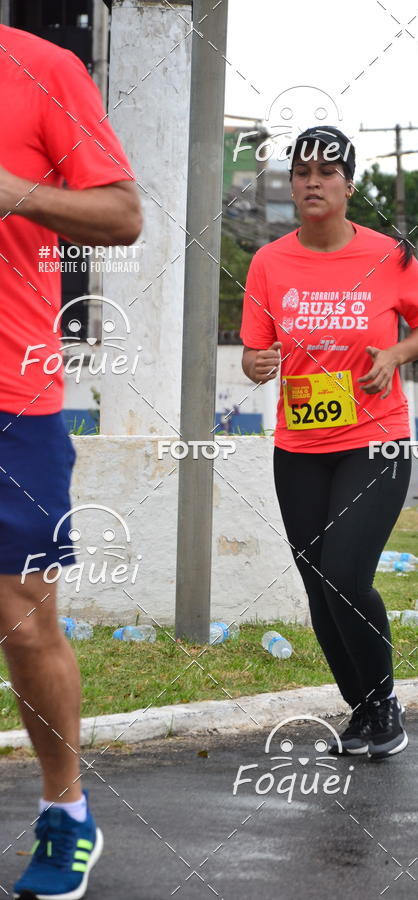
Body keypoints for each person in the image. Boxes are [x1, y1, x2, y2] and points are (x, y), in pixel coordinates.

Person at [240, 126, 418, 759]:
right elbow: (253, 349)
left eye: (328, 171)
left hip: (375, 440)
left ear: (349, 185)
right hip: (299, 447)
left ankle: (384, 703)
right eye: (303, 171)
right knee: (316, 588)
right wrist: (257, 364)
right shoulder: (269, 262)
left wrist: (395, 352)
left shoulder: (389, 255)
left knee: (344, 574)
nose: (313, 181)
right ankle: (363, 712)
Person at [0, 23, 142, 899]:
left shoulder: (42, 68)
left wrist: (15, 192)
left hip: (12, 390)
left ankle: (66, 812)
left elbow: (123, 211)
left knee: (21, 616)